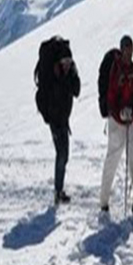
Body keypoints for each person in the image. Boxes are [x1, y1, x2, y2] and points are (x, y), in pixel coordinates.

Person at [99, 35, 133, 214]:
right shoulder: (116, 69)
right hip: (116, 122)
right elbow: (111, 99)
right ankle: (104, 202)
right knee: (113, 158)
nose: (129, 52)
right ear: (121, 50)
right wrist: (119, 112)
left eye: (131, 49)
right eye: (127, 49)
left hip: (130, 120)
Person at [34, 37, 81, 205]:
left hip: (63, 119)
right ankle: (58, 191)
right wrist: (48, 118)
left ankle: (58, 190)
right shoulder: (53, 75)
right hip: (55, 121)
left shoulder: (69, 73)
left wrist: (71, 74)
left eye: (69, 61)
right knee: (62, 154)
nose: (67, 64)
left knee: (64, 155)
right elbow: (41, 97)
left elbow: (77, 90)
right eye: (65, 61)